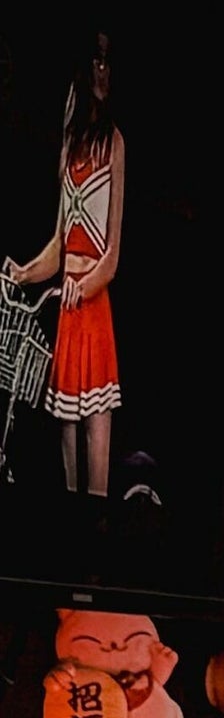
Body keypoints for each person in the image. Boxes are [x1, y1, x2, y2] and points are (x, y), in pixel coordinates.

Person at [8, 32, 121, 497]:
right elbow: (59, 244)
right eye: (95, 61)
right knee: (66, 428)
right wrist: (24, 271)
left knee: (96, 425)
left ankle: (97, 524)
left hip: (92, 305)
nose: (102, 72)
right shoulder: (69, 147)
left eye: (107, 63)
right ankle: (74, 533)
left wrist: (87, 283)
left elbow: (112, 253)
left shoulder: (113, 144)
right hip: (68, 307)